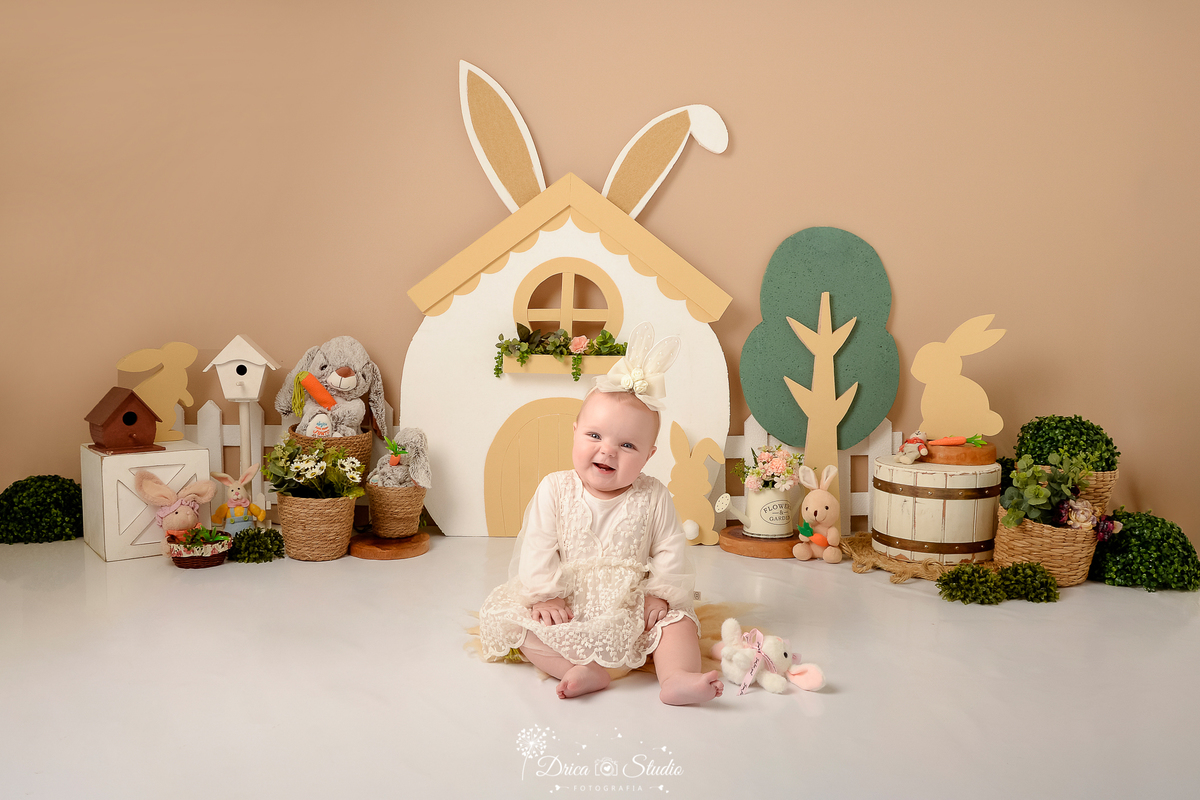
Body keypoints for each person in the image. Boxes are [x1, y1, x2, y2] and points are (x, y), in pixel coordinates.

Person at [478, 324, 723, 704]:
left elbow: (671, 549)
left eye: (627, 445)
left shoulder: (653, 495)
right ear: (575, 432)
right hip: (569, 601)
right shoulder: (555, 489)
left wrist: (659, 596)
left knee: (677, 622)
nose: (607, 451)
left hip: (632, 602)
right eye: (594, 436)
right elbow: (538, 547)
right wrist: (545, 596)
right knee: (514, 622)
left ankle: (676, 677)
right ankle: (577, 669)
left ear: (648, 456)